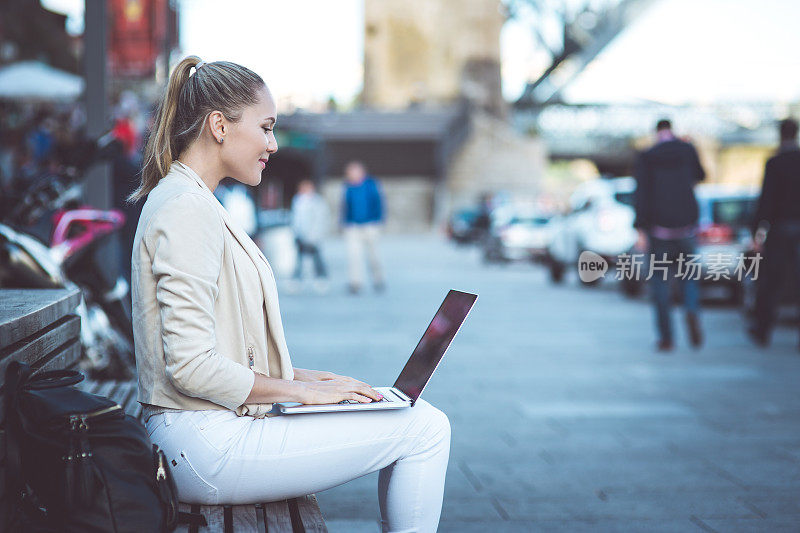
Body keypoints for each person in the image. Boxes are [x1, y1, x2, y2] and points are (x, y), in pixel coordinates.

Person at [128, 56, 450, 533]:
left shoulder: (191, 200)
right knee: (424, 428)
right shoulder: (185, 209)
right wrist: (300, 393)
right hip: (203, 444)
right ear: (219, 125)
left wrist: (312, 382)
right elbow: (191, 365)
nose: (273, 144)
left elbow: (218, 350)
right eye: (266, 127)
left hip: (205, 434)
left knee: (407, 415)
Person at [633, 119, 706, 352]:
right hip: (686, 227)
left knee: (660, 286)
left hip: (658, 231)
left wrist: (641, 229)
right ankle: (691, 310)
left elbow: (641, 194)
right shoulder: (687, 150)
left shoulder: (647, 156)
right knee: (689, 278)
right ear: (672, 130)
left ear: (656, 132)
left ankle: (666, 338)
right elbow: (701, 175)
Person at [748, 118, 800, 348]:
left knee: (771, 281)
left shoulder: (775, 163)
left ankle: (762, 329)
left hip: (779, 229)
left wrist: (756, 231)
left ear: (780, 135)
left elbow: (766, 200)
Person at [341, 160, 385, 294]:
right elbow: (345, 206)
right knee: (354, 255)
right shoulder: (348, 187)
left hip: (370, 225)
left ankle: (378, 279)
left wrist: (377, 221)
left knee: (374, 255)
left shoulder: (371, 185)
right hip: (353, 226)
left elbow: (378, 203)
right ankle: (355, 282)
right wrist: (345, 222)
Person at [289, 179, 329, 293]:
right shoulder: (297, 201)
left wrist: (315, 234)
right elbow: (295, 218)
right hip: (300, 234)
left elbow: (320, 219)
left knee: (317, 258)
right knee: (299, 258)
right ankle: (297, 279)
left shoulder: (317, 201)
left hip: (313, 235)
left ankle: (321, 278)